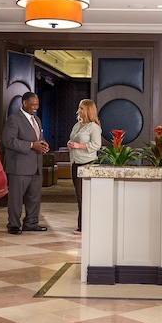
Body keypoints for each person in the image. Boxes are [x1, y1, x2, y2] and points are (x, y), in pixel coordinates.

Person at [3, 92, 49, 234]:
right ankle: (13, 225)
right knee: (16, 198)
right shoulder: (14, 119)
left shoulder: (37, 120)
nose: (36, 107)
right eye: (33, 104)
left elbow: (37, 139)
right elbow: (8, 141)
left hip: (36, 166)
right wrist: (31, 145)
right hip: (19, 167)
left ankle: (31, 223)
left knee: (34, 198)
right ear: (24, 103)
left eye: (37, 104)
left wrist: (42, 144)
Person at [67, 99, 102, 233]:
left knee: (84, 196)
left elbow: (96, 145)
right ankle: (82, 223)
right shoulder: (77, 125)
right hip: (75, 162)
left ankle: (85, 224)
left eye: (81, 108)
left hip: (87, 164)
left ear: (88, 110)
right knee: (79, 195)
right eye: (79, 108)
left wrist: (78, 145)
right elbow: (73, 139)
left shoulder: (93, 127)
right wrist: (70, 144)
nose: (78, 111)